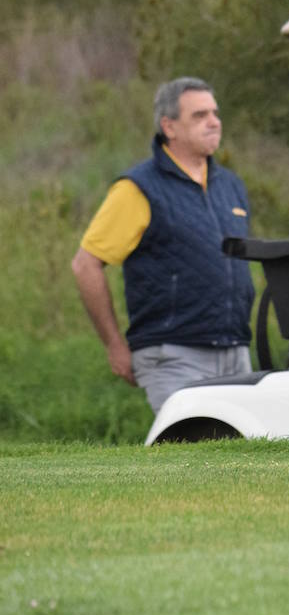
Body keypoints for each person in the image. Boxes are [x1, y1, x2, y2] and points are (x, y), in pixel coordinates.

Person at [71, 78, 255, 415]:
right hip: (172, 356)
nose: (214, 121)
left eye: (214, 113)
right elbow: (86, 264)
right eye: (200, 115)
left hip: (236, 352)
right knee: (188, 459)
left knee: (238, 464)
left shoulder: (230, 186)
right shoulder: (138, 188)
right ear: (169, 126)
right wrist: (114, 345)